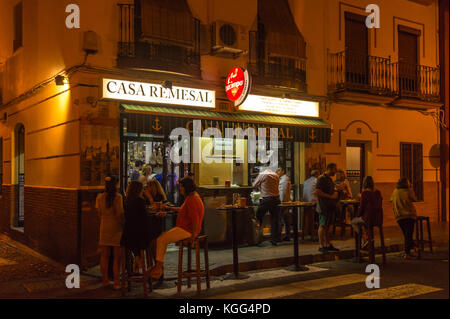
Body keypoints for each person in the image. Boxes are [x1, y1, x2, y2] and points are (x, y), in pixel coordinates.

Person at [149, 177, 204, 280]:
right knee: (162, 238)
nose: (180, 189)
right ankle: (158, 266)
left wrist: (193, 236)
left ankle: (158, 267)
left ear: (185, 187)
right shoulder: (192, 197)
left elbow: (195, 219)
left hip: (187, 230)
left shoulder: (192, 199)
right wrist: (170, 208)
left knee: (162, 239)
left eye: (181, 187)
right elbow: (184, 210)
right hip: (185, 228)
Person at [96, 176, 124, 290]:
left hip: (104, 228)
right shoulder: (118, 197)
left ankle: (105, 280)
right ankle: (117, 282)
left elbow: (99, 213)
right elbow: (120, 214)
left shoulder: (99, 197)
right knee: (117, 258)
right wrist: (122, 225)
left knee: (104, 256)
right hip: (116, 229)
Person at [120, 181, 153, 273]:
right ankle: (145, 263)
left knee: (135, 242)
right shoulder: (140, 200)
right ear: (139, 190)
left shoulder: (126, 201)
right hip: (139, 236)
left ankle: (137, 259)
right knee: (151, 237)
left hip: (127, 235)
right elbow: (145, 218)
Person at [314, 163, 345, 253]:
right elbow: (317, 191)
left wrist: (337, 189)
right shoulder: (321, 178)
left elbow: (331, 190)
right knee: (322, 225)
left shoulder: (329, 179)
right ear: (330, 169)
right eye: (335, 169)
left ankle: (328, 244)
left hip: (329, 206)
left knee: (327, 226)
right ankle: (321, 245)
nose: (336, 171)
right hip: (323, 206)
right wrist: (329, 196)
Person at [350, 176, 383, 247]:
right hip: (378, 218)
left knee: (353, 222)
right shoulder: (378, 192)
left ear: (364, 184)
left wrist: (357, 215)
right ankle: (370, 239)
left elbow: (361, 208)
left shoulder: (365, 193)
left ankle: (365, 238)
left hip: (369, 218)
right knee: (364, 222)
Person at [390, 177, 418, 259]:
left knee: (407, 234)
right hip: (409, 215)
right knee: (408, 234)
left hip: (399, 216)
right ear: (406, 183)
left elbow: (391, 200)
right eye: (409, 182)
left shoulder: (395, 191)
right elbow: (415, 199)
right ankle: (408, 253)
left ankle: (414, 247)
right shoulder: (409, 191)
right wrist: (411, 188)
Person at [253, 166, 281, 246]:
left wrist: (260, 186)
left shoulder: (263, 174)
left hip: (266, 199)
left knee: (258, 217)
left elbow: (254, 185)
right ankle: (273, 240)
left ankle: (258, 238)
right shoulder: (276, 175)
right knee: (274, 219)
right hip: (276, 199)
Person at [277, 167, 292, 241]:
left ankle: (279, 236)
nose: (277, 172)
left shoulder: (284, 179)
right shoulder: (283, 179)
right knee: (286, 220)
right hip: (285, 202)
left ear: (283, 171)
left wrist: (281, 202)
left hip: (283, 202)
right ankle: (287, 235)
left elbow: (283, 191)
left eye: (279, 170)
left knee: (280, 219)